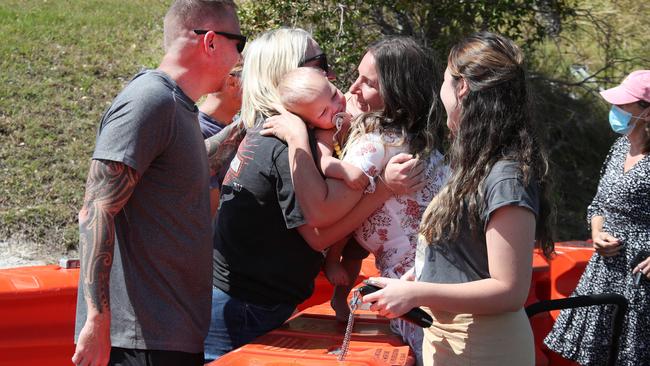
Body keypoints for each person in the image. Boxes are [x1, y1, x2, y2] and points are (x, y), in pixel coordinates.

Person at [203, 28, 423, 361]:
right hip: (245, 308)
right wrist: (383, 191)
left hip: (241, 301)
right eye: (320, 64)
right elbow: (318, 232)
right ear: (291, 74)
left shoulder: (278, 130)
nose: (332, 74)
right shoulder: (286, 145)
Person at [357, 31, 553, 366]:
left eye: (445, 81)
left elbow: (509, 290)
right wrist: (423, 276)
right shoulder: (477, 164)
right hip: (450, 341)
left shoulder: (505, 175)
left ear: (462, 88)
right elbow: (468, 260)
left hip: (485, 349)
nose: (440, 91)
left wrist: (416, 293)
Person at [71, 1, 243, 365]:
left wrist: (248, 126)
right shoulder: (150, 101)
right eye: (237, 43)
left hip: (166, 336)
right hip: (140, 341)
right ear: (210, 41)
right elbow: (96, 209)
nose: (238, 58)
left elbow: (183, 171)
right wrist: (97, 319)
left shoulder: (177, 106)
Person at [263, 36, 448, 365]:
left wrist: (296, 140)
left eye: (368, 82)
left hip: (409, 296)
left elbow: (321, 214)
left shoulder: (375, 144)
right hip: (438, 288)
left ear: (396, 93)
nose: (353, 88)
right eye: (357, 76)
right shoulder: (430, 142)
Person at [544, 70, 650, 365]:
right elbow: (600, 203)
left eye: (624, 105)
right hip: (605, 272)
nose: (615, 111)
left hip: (641, 280)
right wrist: (597, 234)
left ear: (647, 112)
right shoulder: (618, 148)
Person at [198, 62, 243, 217]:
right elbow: (207, 212)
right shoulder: (195, 131)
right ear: (232, 82)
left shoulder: (236, 122)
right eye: (254, 79)